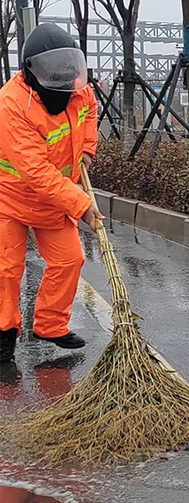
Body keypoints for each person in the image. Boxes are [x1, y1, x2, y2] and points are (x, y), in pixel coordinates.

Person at [0, 24, 104, 363]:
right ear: (32, 70)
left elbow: (89, 113)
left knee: (69, 260)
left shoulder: (77, 89)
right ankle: (3, 333)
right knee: (7, 269)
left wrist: (88, 148)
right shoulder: (12, 105)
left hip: (51, 200)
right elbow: (35, 171)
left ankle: (50, 325)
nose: (63, 78)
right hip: (9, 198)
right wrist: (82, 205)